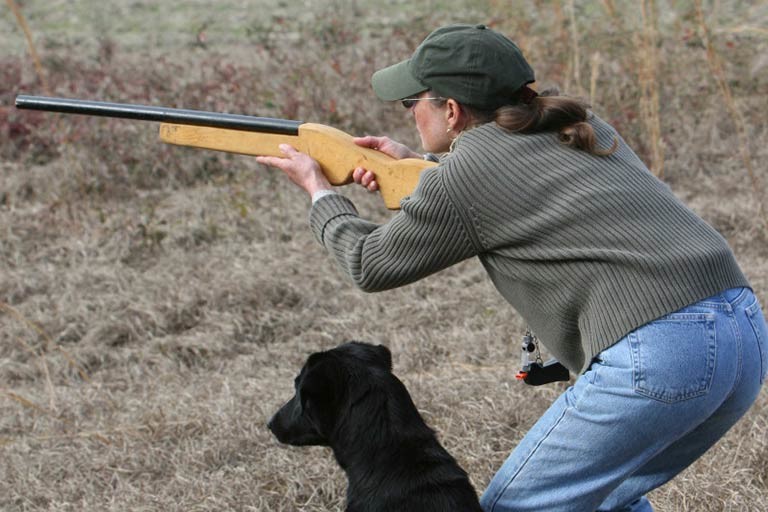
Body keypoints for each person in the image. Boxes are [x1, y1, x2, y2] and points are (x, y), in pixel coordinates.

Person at [256, 23, 767, 512]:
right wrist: (417, 169)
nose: (409, 112)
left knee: (514, 506)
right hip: (742, 334)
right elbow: (508, 184)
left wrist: (319, 191)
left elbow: (368, 264)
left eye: (413, 101)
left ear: (451, 110)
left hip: (663, 354)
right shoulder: (579, 125)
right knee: (603, 498)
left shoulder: (465, 176)